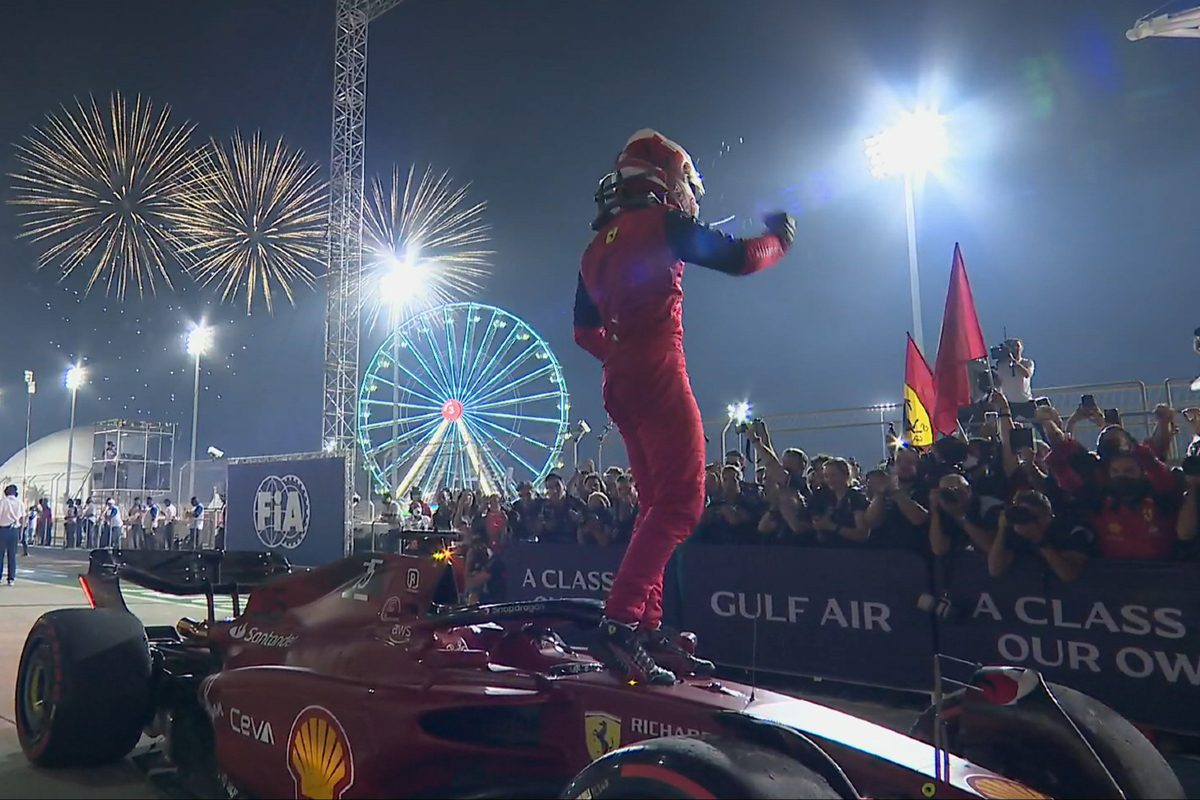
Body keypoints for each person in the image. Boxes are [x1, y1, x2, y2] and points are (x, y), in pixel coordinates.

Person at [573, 129, 796, 683]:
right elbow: (742, 259)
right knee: (679, 505)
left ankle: (646, 627)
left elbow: (583, 331)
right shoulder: (662, 224)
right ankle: (623, 624)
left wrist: (620, 355)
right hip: (657, 370)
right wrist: (780, 239)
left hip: (619, 378)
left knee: (654, 506)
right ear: (665, 179)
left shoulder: (593, 248)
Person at [0, 485, 23, 585]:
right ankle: (11, 578)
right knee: (12, 555)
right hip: (14, 529)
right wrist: (21, 532)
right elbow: (22, 518)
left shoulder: (3, 502)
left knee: (0, 555)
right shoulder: (20, 503)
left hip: (3, 529)